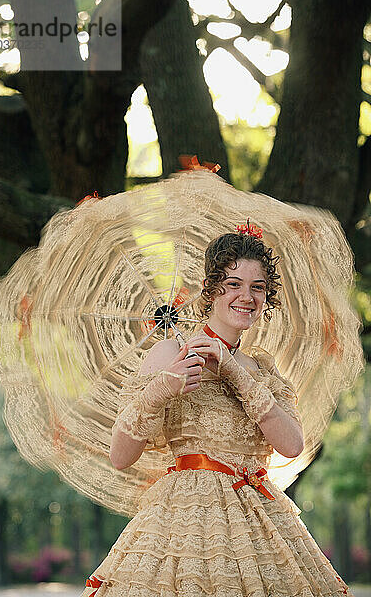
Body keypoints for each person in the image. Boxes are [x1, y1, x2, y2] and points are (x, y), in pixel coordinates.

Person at [82, 228, 352, 597]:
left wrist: (236, 373)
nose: (247, 296)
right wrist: (163, 387)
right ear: (211, 289)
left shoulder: (263, 370)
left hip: (259, 523)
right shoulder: (170, 353)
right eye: (234, 283)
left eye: (258, 287)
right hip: (185, 523)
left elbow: (292, 446)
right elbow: (119, 456)